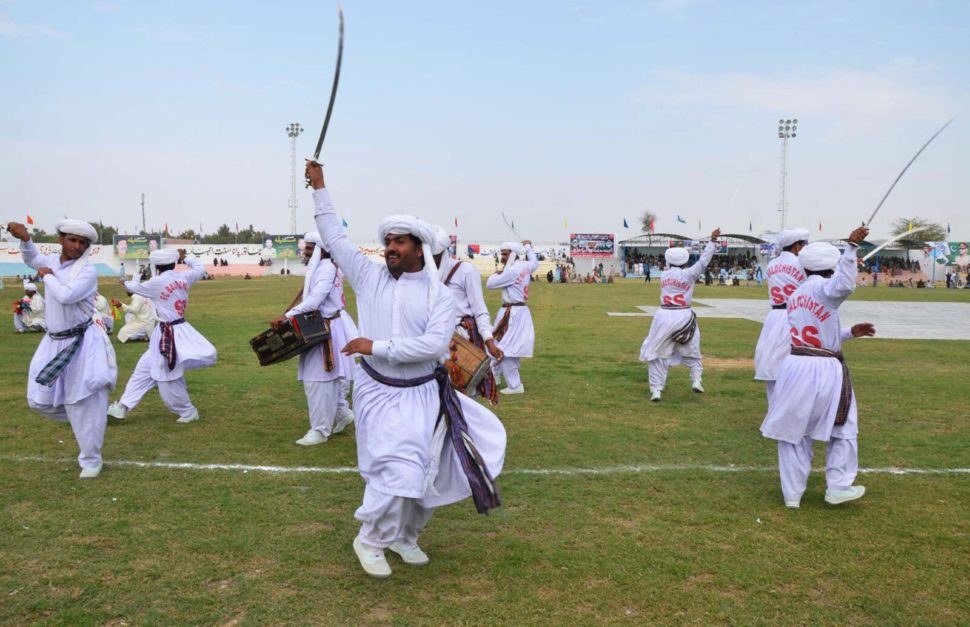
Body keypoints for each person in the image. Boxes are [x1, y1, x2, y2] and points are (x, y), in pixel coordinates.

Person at [308, 161, 506, 578]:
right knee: (394, 467)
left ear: (420, 249)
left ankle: (405, 535)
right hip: (377, 389)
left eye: (400, 242)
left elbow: (434, 346)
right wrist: (321, 188)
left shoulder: (440, 296)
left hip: (424, 393)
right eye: (388, 241)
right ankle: (369, 539)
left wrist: (374, 345)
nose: (391, 248)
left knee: (423, 473)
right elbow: (335, 237)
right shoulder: (368, 276)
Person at [760, 227, 875, 509]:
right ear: (831, 267)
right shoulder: (826, 289)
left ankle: (792, 495)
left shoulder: (796, 294)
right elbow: (844, 286)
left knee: (793, 432)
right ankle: (838, 486)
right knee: (843, 426)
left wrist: (848, 332)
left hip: (795, 365)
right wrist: (850, 249)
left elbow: (814, 329)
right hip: (823, 368)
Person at [7, 219, 117, 478]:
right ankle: (88, 418)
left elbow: (67, 295)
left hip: (83, 342)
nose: (77, 246)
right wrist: (25, 239)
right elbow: (33, 258)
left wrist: (47, 276)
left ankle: (91, 459)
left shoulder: (87, 271)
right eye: (72, 240)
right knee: (38, 399)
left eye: (82, 243)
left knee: (83, 400)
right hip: (53, 341)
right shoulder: (53, 262)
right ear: (61, 240)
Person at [107, 248, 216, 423]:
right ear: (174, 263)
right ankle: (123, 406)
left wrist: (131, 278)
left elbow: (132, 287)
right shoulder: (184, 277)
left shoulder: (157, 282)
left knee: (167, 375)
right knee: (144, 367)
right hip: (173, 329)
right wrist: (185, 258)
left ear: (156, 266)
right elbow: (200, 269)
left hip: (168, 332)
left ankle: (187, 411)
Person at [269, 231, 358, 446]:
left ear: (321, 249)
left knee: (317, 380)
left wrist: (287, 316)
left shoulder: (326, 268)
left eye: (309, 248)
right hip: (325, 326)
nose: (305, 251)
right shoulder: (324, 267)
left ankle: (319, 430)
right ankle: (343, 414)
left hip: (325, 329)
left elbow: (315, 300)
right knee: (331, 378)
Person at [639, 228, 721, 401]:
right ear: (685, 260)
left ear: (668, 261)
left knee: (657, 352)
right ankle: (696, 380)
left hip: (664, 315)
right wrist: (713, 240)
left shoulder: (663, 275)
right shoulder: (689, 274)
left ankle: (656, 389)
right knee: (692, 349)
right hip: (683, 315)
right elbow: (704, 261)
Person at [431, 225, 503, 405]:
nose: (431, 259)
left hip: (460, 338)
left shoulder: (466, 271)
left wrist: (489, 341)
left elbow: (480, 310)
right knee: (433, 391)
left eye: (435, 254)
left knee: (464, 394)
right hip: (432, 336)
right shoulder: (421, 272)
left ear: (444, 251)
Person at [753, 228, 808, 404]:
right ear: (797, 247)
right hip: (795, 316)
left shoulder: (771, 265)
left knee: (771, 364)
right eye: (804, 244)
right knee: (796, 365)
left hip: (774, 316)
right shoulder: (802, 264)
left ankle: (773, 410)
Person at [486, 240, 539, 394]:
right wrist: (528, 247)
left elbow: (490, 284)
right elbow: (534, 262)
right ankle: (494, 377)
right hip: (517, 312)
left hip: (512, 313)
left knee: (505, 348)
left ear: (513, 255)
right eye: (502, 253)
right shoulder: (525, 266)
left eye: (505, 254)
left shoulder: (511, 271)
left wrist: (498, 272)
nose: (502, 257)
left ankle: (514, 385)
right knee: (498, 344)